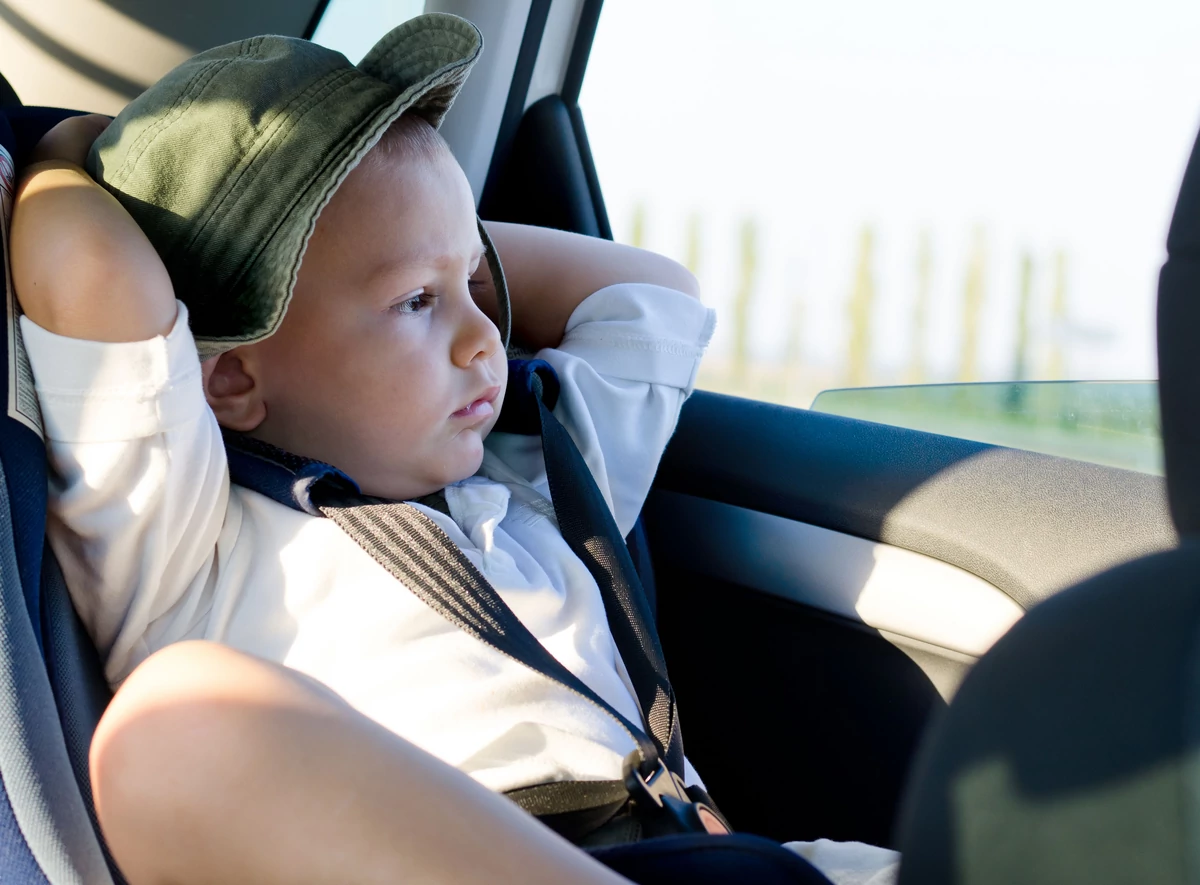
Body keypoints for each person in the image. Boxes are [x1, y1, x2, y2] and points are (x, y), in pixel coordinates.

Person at [10, 13, 898, 885]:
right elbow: (94, 275)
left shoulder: (532, 487)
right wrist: (57, 152)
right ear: (231, 380)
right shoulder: (189, 539)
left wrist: (417, 237)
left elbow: (651, 291)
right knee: (170, 726)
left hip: (714, 855)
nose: (487, 341)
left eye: (473, 283)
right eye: (416, 303)